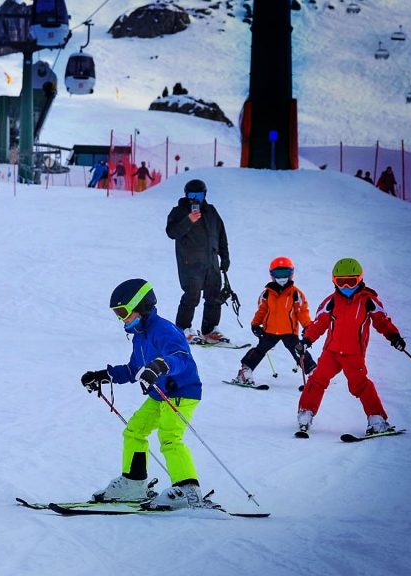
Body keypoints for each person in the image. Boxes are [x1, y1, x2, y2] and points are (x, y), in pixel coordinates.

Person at [81, 279, 208, 509]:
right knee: (134, 431)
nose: (122, 319)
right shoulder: (140, 335)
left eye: (123, 312)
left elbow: (181, 357)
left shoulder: (164, 330)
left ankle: (188, 489)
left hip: (181, 391)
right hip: (159, 395)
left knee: (169, 437)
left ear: (142, 306)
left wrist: (160, 366)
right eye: (117, 314)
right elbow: (133, 369)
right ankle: (134, 483)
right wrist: (104, 375)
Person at [295, 258, 405, 436]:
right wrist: (306, 340)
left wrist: (394, 336)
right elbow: (319, 324)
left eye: (351, 282)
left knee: (360, 385)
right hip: (331, 352)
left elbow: (382, 321)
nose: (346, 287)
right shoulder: (330, 301)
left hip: (354, 355)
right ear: (334, 281)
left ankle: (376, 419)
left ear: (360, 279)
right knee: (317, 380)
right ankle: (305, 413)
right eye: (341, 282)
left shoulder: (368, 300)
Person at [165, 179, 231, 343]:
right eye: (192, 195)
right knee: (191, 295)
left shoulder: (211, 211)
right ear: (186, 195)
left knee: (214, 296)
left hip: (211, 262)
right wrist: (188, 220)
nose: (195, 198)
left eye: (199, 195)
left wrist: (225, 257)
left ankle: (210, 330)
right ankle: (183, 329)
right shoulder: (178, 212)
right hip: (190, 263)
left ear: (204, 195)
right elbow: (172, 232)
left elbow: (221, 235)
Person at [233, 257, 317, 386]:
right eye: (278, 274)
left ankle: (314, 373)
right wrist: (255, 324)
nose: (282, 277)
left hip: (289, 331)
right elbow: (261, 311)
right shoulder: (267, 294)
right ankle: (245, 371)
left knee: (298, 351)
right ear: (272, 275)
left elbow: (302, 311)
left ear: (291, 274)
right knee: (260, 350)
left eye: (285, 273)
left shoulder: (295, 294)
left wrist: (307, 326)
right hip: (270, 331)